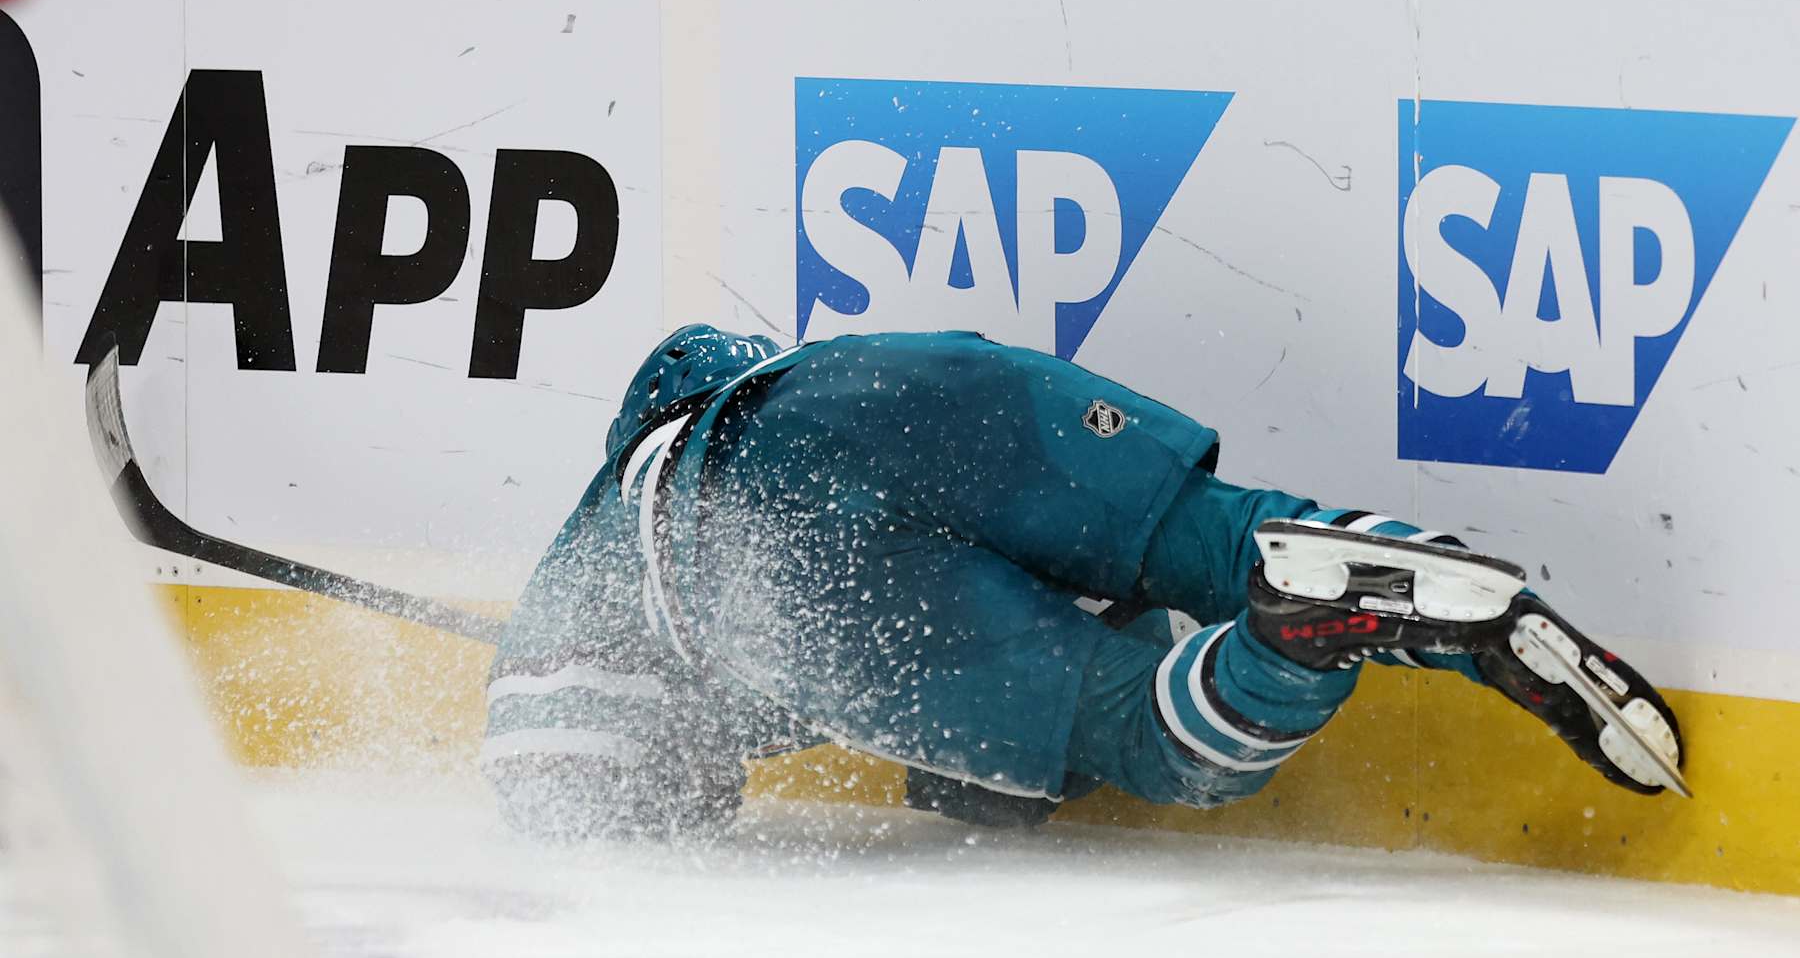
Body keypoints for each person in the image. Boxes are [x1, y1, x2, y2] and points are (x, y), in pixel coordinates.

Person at [481, 325, 1686, 839]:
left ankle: (1299, 637)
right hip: (883, 383)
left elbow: (586, 807)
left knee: (1147, 733)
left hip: (774, 562)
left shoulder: (569, 616)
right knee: (1212, 534)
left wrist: (708, 757)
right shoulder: (743, 387)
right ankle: (1432, 606)